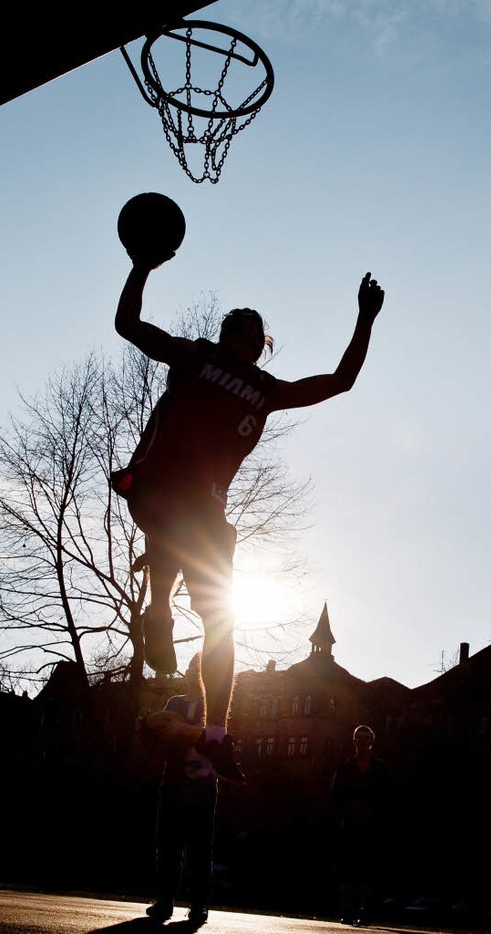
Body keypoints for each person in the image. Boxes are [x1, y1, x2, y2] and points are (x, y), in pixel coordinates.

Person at [113, 248, 384, 784]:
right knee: (182, 518)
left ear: (261, 346)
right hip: (157, 486)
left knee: (222, 622)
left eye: (253, 333)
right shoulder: (194, 356)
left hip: (203, 512)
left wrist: (364, 321)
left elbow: (339, 381)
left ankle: (215, 734)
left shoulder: (265, 390)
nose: (247, 338)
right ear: (231, 336)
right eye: (243, 329)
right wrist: (142, 264)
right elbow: (128, 325)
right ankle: (162, 610)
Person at [143, 653, 218, 928]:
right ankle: (165, 900)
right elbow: (163, 738)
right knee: (168, 843)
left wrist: (180, 729)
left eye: (199, 669)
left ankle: (199, 905)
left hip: (203, 784)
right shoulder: (174, 703)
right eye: (190, 667)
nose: (193, 672)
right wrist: (151, 730)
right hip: (173, 779)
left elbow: (208, 735)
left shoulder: (213, 706)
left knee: (200, 845)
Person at [331, 724, 390, 926]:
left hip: (372, 829)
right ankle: (347, 910)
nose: (363, 742)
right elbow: (335, 797)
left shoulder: (380, 770)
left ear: (372, 742)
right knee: (348, 871)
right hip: (349, 828)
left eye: (366, 738)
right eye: (359, 738)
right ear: (354, 741)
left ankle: (365, 911)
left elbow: (388, 799)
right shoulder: (345, 769)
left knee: (368, 872)